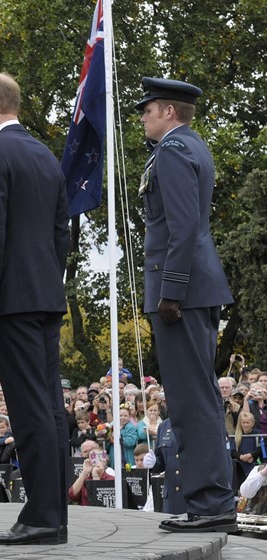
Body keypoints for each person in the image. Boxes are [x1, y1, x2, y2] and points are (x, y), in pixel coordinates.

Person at [0, 73, 70, 546]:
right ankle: (54, 515)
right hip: (46, 295)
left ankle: (41, 518)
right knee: (49, 408)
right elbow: (61, 230)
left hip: (13, 300)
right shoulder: (45, 154)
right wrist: (49, 279)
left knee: (29, 411)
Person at [136, 77, 236, 532]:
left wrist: (171, 291)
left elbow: (181, 226)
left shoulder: (173, 151)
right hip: (195, 287)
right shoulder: (189, 146)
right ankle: (211, 500)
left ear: (168, 111)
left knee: (191, 399)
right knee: (197, 395)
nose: (143, 118)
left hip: (183, 290)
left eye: (148, 110)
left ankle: (210, 503)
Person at [142, 418, 188, 515]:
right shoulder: (164, 426)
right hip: (171, 499)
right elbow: (161, 462)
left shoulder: (199, 422)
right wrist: (153, 463)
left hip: (191, 498)